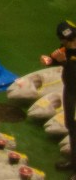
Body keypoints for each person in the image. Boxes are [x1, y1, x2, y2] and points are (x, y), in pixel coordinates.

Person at [42, 20, 76, 174]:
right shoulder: (66, 49)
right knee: (71, 127)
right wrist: (48, 60)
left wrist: (65, 63)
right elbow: (53, 59)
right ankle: (74, 162)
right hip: (70, 92)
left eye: (70, 41)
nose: (66, 44)